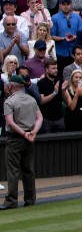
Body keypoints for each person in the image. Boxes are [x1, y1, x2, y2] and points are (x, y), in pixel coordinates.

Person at [2, 74, 41, 210]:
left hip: (16, 139)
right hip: (30, 138)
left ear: (11, 86)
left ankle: (11, 201)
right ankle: (30, 199)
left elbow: (10, 123)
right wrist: (33, 132)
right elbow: (39, 118)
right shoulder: (31, 100)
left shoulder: (9, 101)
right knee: (28, 169)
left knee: (13, 171)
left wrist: (24, 133)